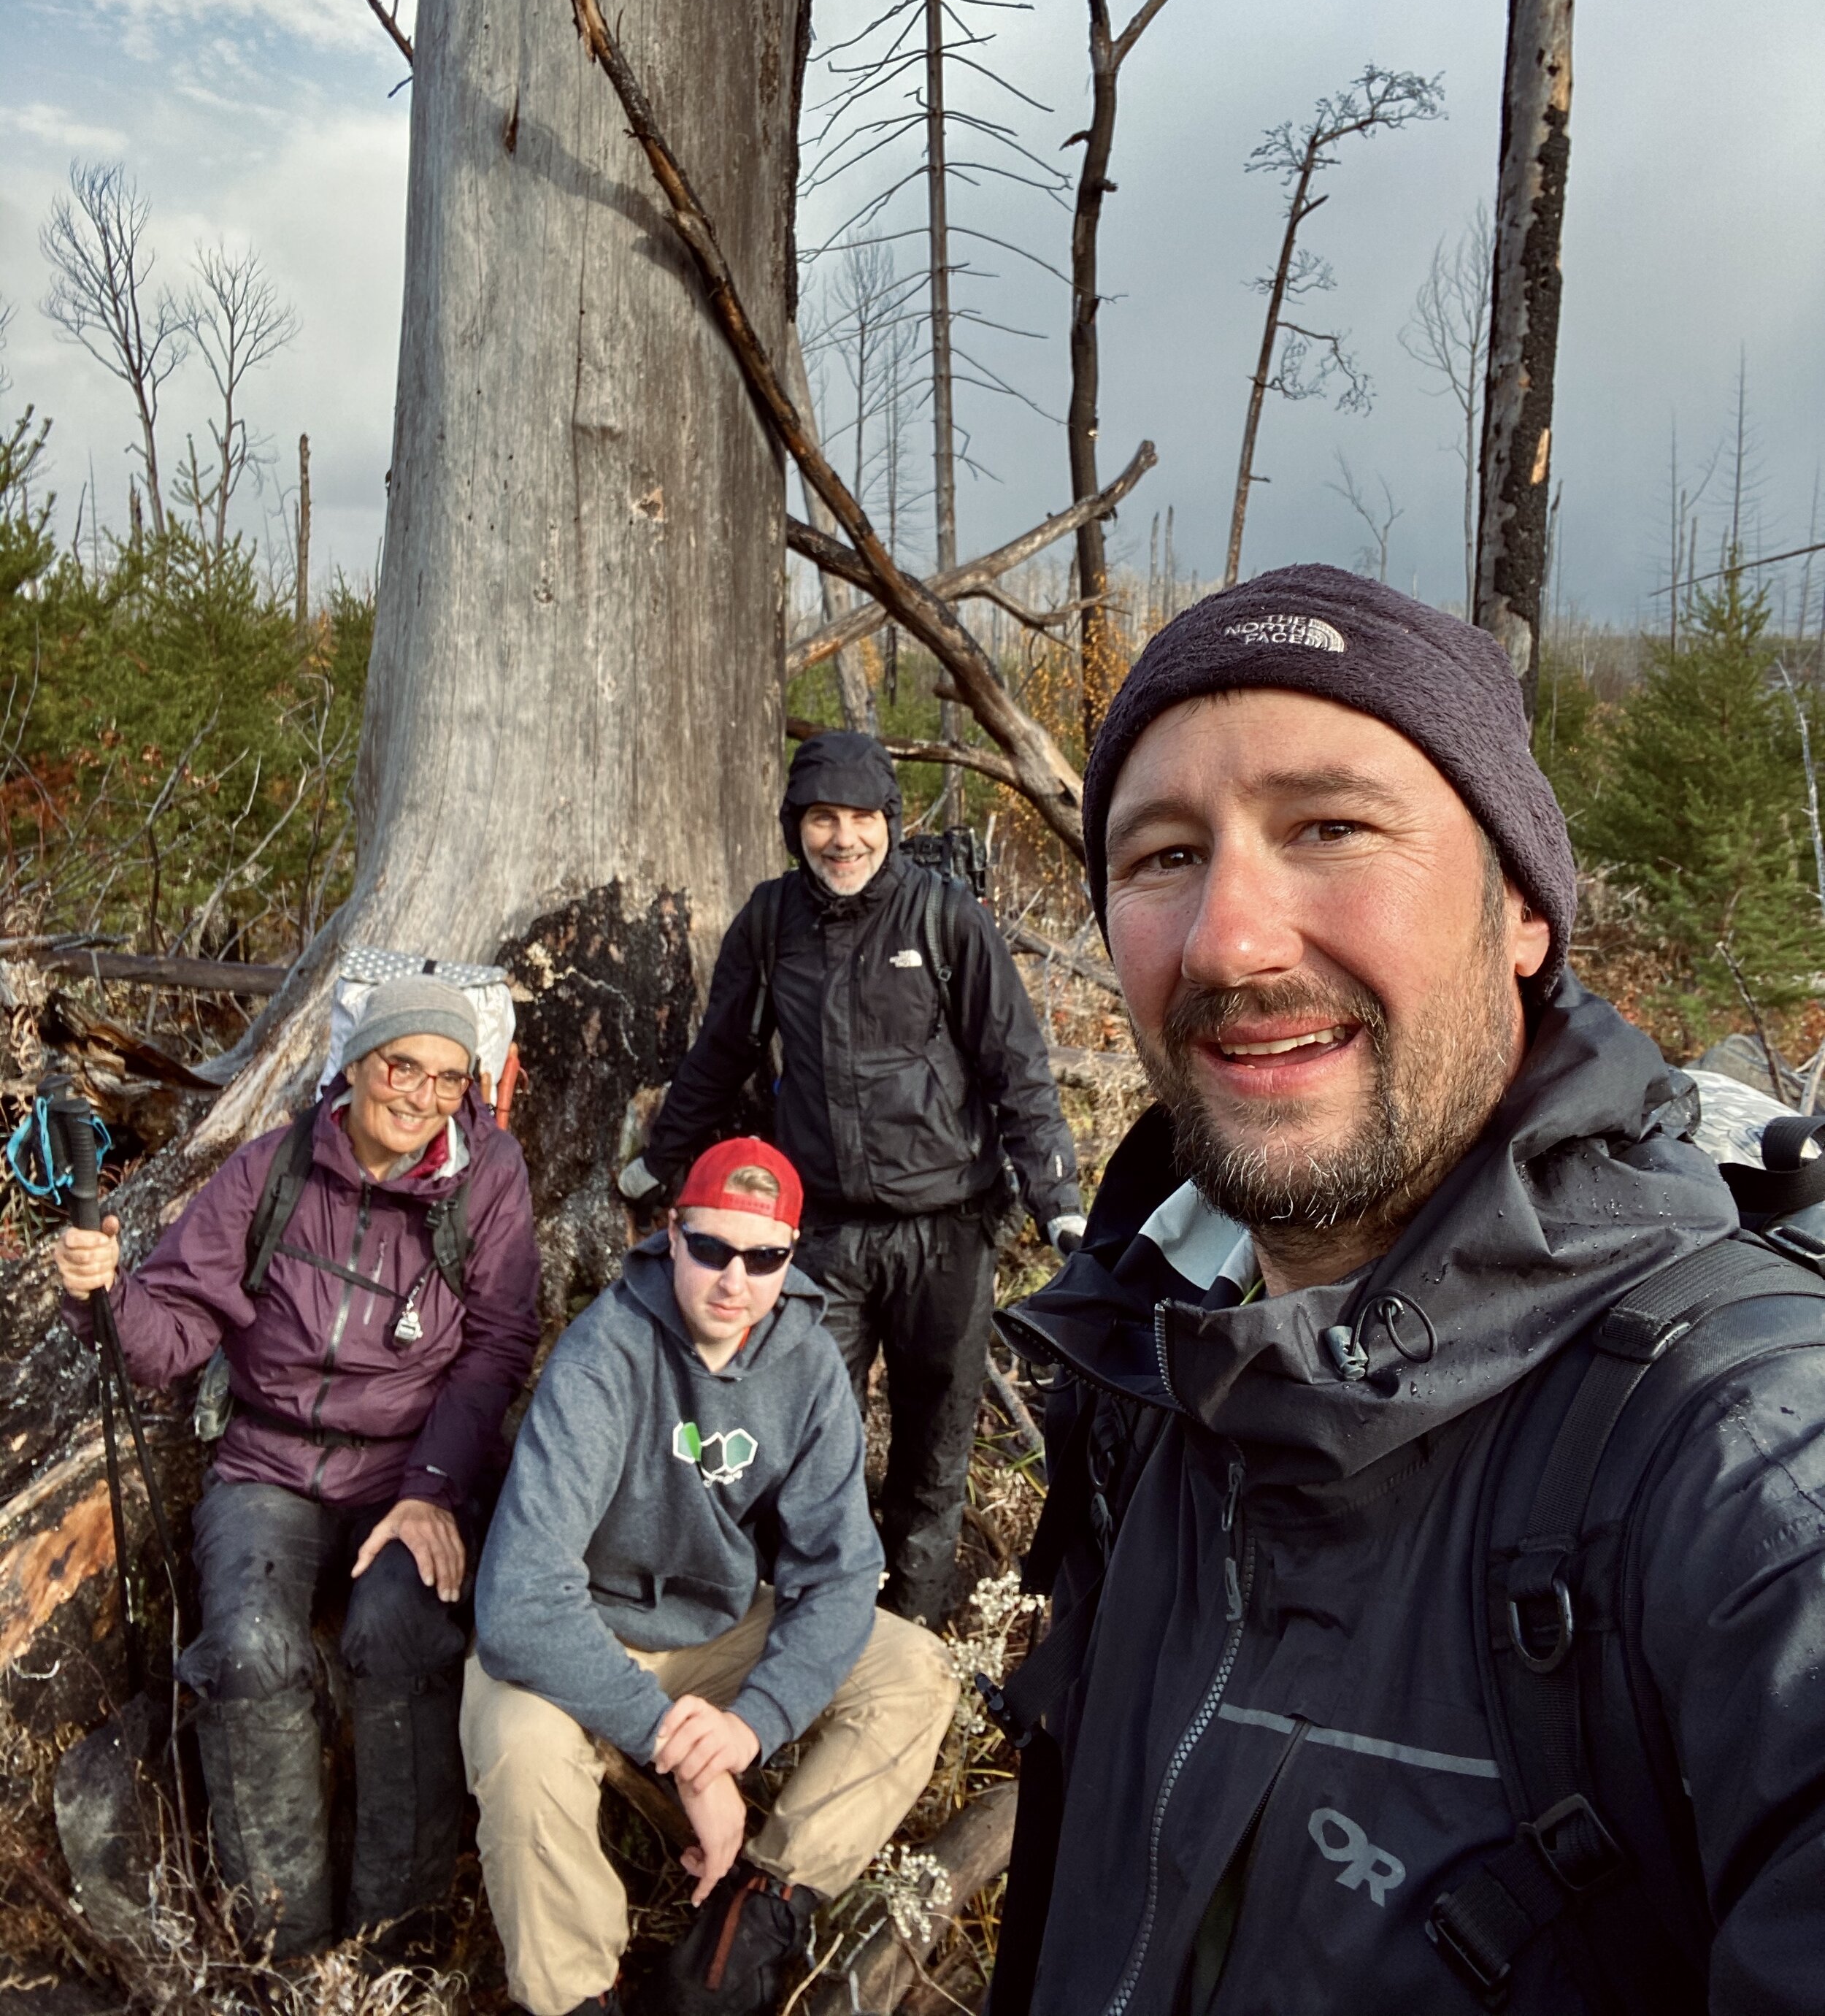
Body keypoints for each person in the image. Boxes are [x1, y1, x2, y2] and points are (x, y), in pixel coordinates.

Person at [988, 565, 1825, 2015]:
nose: (1226, 941)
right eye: (1162, 853)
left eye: (1329, 828)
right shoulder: (1150, 1369)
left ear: (1522, 914)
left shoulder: (1746, 1478)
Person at [55, 975, 540, 1961]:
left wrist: (433, 1490)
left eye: (449, 1080)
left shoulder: (487, 1178)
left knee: (400, 1637)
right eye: (403, 1065)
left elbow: (498, 1345)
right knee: (244, 1651)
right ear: (358, 1064)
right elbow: (173, 1328)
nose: (420, 1095)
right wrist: (100, 1294)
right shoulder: (272, 1169)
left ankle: (390, 1951)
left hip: (408, 1469)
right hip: (268, 1463)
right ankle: (283, 1946)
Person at [464, 1135, 957, 2016]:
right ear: (671, 1233)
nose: (735, 1279)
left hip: (715, 1626)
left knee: (913, 1671)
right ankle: (578, 1994)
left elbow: (840, 1573)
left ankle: (756, 1918)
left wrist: (751, 1727)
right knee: (518, 1750)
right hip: (582, 1629)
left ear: (790, 1257)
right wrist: (682, 1755)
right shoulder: (603, 1355)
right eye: (711, 1249)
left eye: (763, 1256)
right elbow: (521, 1601)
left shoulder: (805, 1361)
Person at [626, 729, 1080, 1627]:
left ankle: (912, 1647)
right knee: (796, 1438)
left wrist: (1057, 1200)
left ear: (892, 824)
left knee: (932, 1455)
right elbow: (722, 1054)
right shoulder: (770, 923)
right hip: (823, 1236)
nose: (844, 839)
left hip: (946, 1234)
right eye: (823, 819)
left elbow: (1014, 1063)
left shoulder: (946, 918)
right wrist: (661, 1158)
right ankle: (803, 1637)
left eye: (862, 819)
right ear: (795, 826)